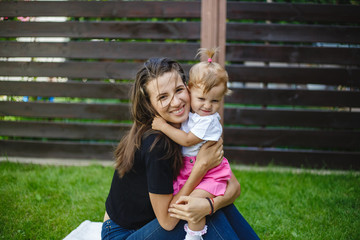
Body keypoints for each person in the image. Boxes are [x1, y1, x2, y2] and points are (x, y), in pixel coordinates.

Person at [102, 57, 260, 240]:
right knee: (195, 210)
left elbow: (233, 187)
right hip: (123, 234)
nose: (176, 102)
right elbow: (168, 222)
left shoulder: (195, 124)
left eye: (178, 90)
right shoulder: (156, 144)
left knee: (205, 203)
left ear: (189, 87)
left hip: (149, 225)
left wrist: (210, 205)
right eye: (163, 97)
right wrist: (200, 167)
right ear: (149, 104)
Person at [151, 48, 232, 240]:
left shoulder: (208, 120)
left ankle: (194, 236)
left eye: (215, 101)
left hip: (210, 174)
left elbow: (187, 140)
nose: (207, 106)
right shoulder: (194, 115)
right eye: (201, 99)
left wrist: (162, 125)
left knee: (193, 203)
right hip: (192, 169)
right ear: (189, 89)